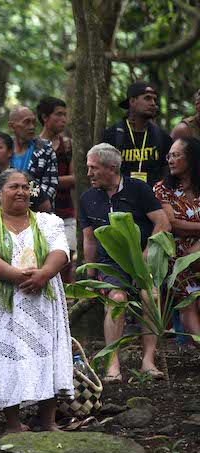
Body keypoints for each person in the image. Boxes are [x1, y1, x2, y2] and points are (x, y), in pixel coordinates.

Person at [0, 169, 73, 431]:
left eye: (25, 187)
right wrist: (19, 276)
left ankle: (48, 422)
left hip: (41, 302)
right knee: (7, 356)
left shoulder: (48, 222)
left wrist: (45, 274)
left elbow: (61, 251)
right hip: (3, 307)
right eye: (14, 187)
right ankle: (14, 424)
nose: (21, 192)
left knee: (45, 352)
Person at [79, 143, 171, 382]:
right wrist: (90, 274)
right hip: (110, 263)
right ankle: (113, 364)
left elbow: (162, 223)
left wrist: (147, 253)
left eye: (93, 168)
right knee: (117, 298)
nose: (88, 173)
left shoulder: (138, 189)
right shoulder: (88, 197)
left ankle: (148, 361)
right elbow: (89, 240)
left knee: (150, 294)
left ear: (111, 168)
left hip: (141, 259)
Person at [154, 137, 200, 337]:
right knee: (188, 300)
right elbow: (173, 225)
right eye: (169, 156)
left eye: (176, 155)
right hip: (177, 256)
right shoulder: (162, 189)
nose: (170, 160)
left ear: (191, 158)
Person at [38, 96, 77, 282]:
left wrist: (45, 180)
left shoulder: (67, 145)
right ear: (45, 117)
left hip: (65, 210)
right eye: (58, 115)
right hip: (39, 212)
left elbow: (75, 178)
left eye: (65, 115)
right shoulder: (33, 147)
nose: (63, 119)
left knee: (65, 258)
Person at [103, 81, 172, 187]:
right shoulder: (112, 135)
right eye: (147, 98)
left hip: (152, 200)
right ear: (132, 101)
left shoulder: (162, 137)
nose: (153, 103)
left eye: (154, 99)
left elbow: (168, 173)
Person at [7, 106, 57, 212]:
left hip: (37, 214)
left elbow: (50, 187)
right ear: (12, 127)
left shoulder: (45, 150)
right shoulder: (3, 148)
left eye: (34, 122)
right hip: (5, 213)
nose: (32, 127)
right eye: (27, 122)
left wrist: (25, 202)